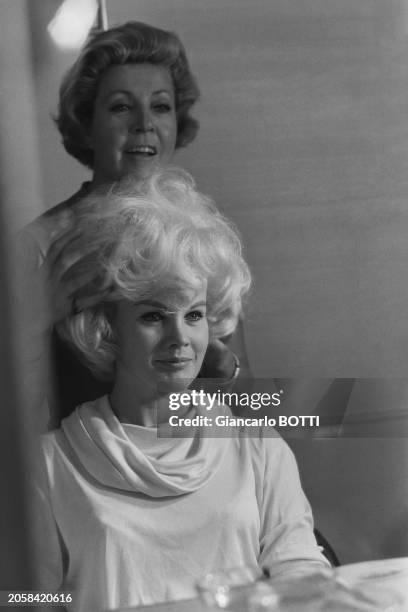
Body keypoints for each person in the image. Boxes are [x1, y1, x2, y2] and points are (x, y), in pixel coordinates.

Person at [33, 170, 328, 611]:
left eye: (194, 315)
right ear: (107, 327)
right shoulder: (49, 464)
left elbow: (303, 571)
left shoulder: (259, 449)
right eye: (153, 317)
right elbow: (22, 596)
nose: (179, 338)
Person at [18, 21, 250, 427]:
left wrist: (219, 364)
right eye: (122, 106)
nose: (144, 123)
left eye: (160, 106)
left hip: (194, 469)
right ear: (87, 126)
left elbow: (251, 410)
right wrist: (39, 321)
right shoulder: (37, 247)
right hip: (77, 477)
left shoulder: (200, 241)